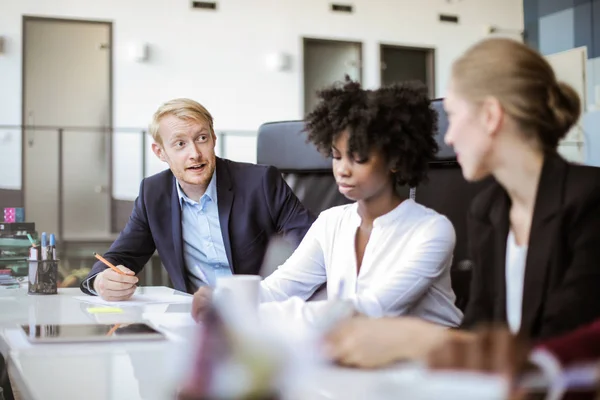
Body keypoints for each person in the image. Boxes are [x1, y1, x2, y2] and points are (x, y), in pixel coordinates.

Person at [323, 37, 600, 368]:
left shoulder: (590, 201)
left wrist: (417, 339)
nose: (449, 137)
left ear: (490, 115)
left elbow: (560, 344)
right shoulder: (489, 210)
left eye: (454, 116)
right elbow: (480, 328)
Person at [193, 79, 463, 328]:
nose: (342, 170)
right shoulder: (332, 222)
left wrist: (243, 312)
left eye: (358, 158)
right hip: (362, 359)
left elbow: (369, 310)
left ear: (394, 161)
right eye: (336, 156)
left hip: (436, 367)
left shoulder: (432, 230)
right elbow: (280, 289)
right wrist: (224, 299)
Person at [80, 98, 315, 301]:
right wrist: (100, 280)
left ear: (213, 139)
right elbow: (121, 256)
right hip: (195, 321)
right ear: (160, 152)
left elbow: (312, 247)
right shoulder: (153, 193)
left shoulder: (260, 182)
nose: (194, 154)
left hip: (261, 313)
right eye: (180, 144)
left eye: (201, 138)